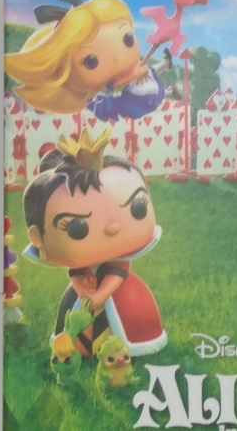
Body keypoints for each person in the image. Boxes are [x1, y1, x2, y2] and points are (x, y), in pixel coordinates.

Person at [22, 127, 167, 356]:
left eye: (138, 207)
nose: (113, 228)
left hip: (123, 298)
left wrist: (99, 295)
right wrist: (82, 290)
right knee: (74, 326)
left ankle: (128, 343)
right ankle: (78, 346)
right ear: (37, 238)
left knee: (130, 317)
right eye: (77, 227)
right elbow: (76, 273)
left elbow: (118, 272)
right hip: (83, 299)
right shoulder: (79, 265)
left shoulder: (117, 263)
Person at [4, 0, 170, 120]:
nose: (116, 58)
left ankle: (167, 79)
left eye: (128, 39)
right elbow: (114, 86)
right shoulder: (102, 97)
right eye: (91, 61)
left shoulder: (131, 71)